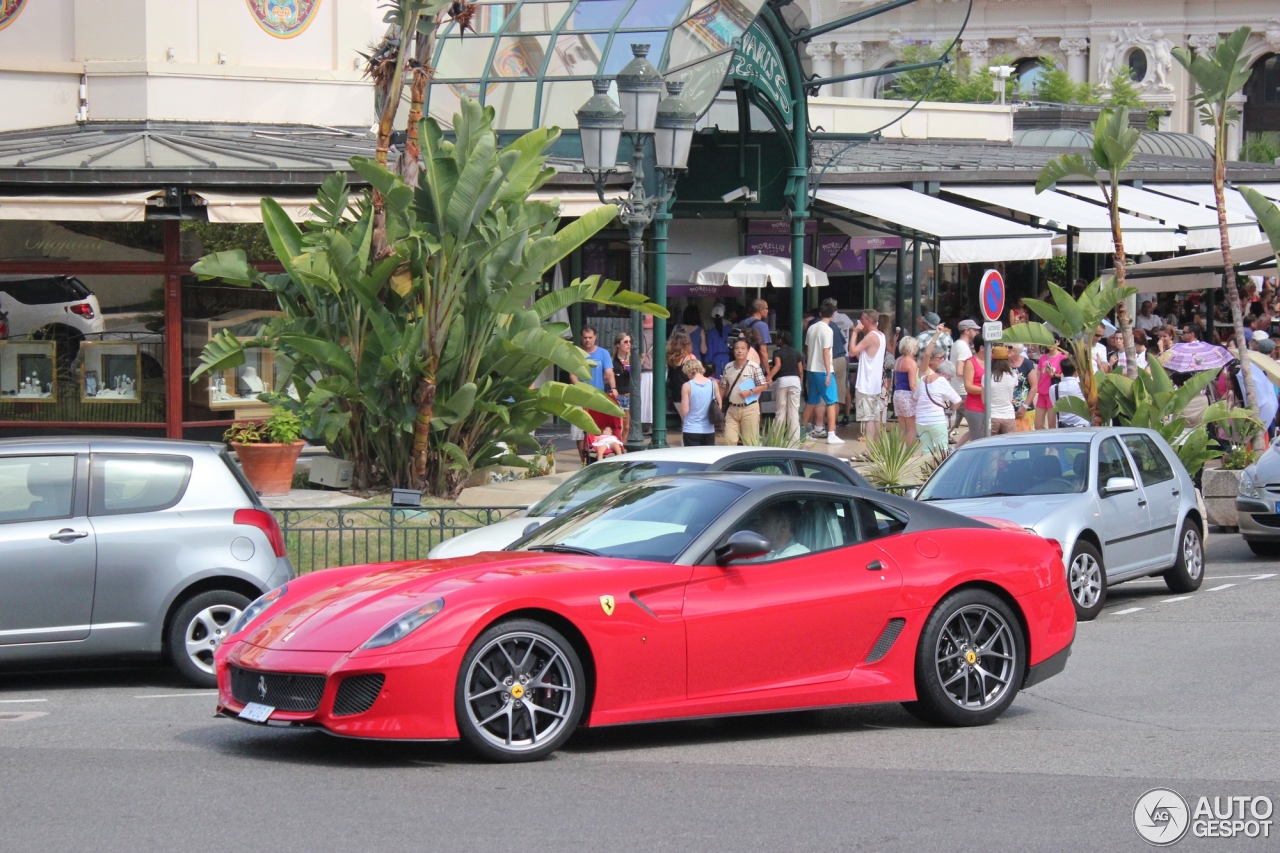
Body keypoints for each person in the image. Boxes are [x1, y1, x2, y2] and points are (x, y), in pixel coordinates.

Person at [568, 326, 616, 464]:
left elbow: (609, 373)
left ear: (595, 337)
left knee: (598, 431)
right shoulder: (576, 353)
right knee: (579, 433)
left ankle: (596, 460)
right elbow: (572, 375)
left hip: (597, 398)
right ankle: (584, 462)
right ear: (581, 338)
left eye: (590, 337)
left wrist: (613, 388)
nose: (587, 340)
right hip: (579, 397)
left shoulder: (603, 353)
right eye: (585, 337)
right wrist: (581, 388)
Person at [720, 337, 767, 445]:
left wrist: (750, 392)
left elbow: (763, 385)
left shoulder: (754, 367)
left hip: (749, 408)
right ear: (733, 350)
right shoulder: (728, 367)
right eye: (737, 348)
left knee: (749, 442)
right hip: (732, 409)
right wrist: (719, 405)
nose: (739, 351)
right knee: (729, 440)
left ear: (748, 350)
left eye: (743, 348)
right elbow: (723, 387)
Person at [914, 349, 961, 455]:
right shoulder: (942, 380)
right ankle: (941, 471)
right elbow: (957, 401)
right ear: (944, 373)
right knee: (942, 451)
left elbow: (915, 397)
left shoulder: (923, 379)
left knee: (926, 451)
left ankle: (928, 472)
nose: (949, 380)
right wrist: (950, 410)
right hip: (936, 420)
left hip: (921, 420)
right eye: (949, 377)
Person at [802, 303, 838, 441]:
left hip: (811, 369)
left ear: (820, 313)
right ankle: (831, 434)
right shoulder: (827, 330)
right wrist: (829, 373)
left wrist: (809, 361)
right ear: (833, 315)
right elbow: (826, 352)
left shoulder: (811, 328)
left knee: (811, 401)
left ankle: (802, 431)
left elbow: (806, 348)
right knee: (831, 401)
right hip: (823, 371)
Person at [849, 308, 885, 443]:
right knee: (875, 416)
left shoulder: (870, 336)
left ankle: (870, 451)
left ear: (869, 321)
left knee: (868, 417)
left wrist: (854, 332)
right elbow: (864, 356)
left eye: (862, 319)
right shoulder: (881, 335)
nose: (860, 321)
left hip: (867, 383)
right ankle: (876, 448)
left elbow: (852, 351)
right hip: (874, 383)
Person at [767, 329, 804, 443]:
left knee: (780, 411)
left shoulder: (777, 353)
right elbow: (800, 371)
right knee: (793, 412)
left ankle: (778, 439)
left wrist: (768, 377)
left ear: (780, 340)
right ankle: (794, 440)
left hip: (782, 382)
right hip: (795, 382)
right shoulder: (796, 353)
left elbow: (777, 366)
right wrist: (799, 382)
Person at [677, 359, 720, 447]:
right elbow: (719, 405)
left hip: (691, 428)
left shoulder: (687, 386)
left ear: (689, 372)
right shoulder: (713, 384)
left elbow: (685, 411)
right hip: (709, 429)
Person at [828, 306, 855, 425]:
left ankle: (834, 421)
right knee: (844, 387)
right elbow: (853, 328)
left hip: (832, 356)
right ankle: (846, 416)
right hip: (844, 354)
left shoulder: (828, 323)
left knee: (837, 388)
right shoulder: (844, 318)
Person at [957, 336, 986, 445]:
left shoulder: (993, 360)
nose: (993, 348)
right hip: (975, 406)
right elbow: (968, 386)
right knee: (978, 439)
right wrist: (986, 390)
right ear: (982, 347)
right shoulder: (970, 362)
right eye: (990, 345)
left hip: (991, 406)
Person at [986, 346, 1020, 435]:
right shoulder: (1014, 376)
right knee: (1009, 445)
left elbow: (984, 400)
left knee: (990, 445)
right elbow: (1011, 395)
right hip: (1008, 415)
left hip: (992, 415)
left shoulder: (986, 377)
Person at [893, 336, 920, 445]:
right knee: (911, 428)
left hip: (897, 393)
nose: (917, 348)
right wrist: (919, 397)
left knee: (903, 427)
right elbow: (913, 384)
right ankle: (909, 454)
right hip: (908, 395)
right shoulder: (912, 363)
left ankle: (897, 452)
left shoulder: (898, 360)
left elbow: (896, 380)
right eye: (915, 346)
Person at [666, 328, 697, 419]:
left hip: (676, 394)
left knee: (685, 420)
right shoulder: (691, 358)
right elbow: (697, 378)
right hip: (688, 394)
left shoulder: (670, 358)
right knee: (690, 421)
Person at [1034, 345, 1066, 430]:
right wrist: (1035, 387)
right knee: (1038, 424)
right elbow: (1039, 374)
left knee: (1051, 423)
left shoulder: (1062, 357)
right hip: (1042, 392)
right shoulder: (1043, 358)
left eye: (1054, 342)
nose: (1051, 344)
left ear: (1058, 343)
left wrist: (1054, 375)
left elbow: (1066, 375)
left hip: (1052, 392)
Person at [1008, 343, 1038, 431]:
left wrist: (1024, 406)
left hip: (1025, 408)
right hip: (1007, 409)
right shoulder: (1002, 364)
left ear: (1017, 349)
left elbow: (1034, 387)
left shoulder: (1027, 363)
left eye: (1010, 347)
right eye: (1005, 347)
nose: (1006, 349)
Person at [1051, 361, 1090, 428]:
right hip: (1082, 427)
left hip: (1063, 429)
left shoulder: (1053, 388)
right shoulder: (1082, 386)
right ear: (1076, 372)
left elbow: (1055, 406)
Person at [611, 331, 632, 440]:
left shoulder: (631, 360)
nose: (628, 344)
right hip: (618, 395)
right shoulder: (613, 362)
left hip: (629, 396)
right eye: (626, 342)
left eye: (629, 342)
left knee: (627, 426)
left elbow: (637, 377)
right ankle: (619, 447)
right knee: (619, 425)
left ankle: (622, 446)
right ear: (618, 344)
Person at [741, 298, 772, 368]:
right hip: (755, 364)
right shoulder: (762, 326)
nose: (768, 311)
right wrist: (768, 371)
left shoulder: (742, 323)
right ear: (760, 310)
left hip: (741, 362)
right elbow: (762, 351)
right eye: (766, 308)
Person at [705, 303, 732, 378]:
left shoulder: (711, 333)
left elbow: (709, 351)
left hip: (715, 360)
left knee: (716, 381)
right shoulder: (729, 330)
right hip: (727, 359)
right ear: (723, 316)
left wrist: (707, 363)